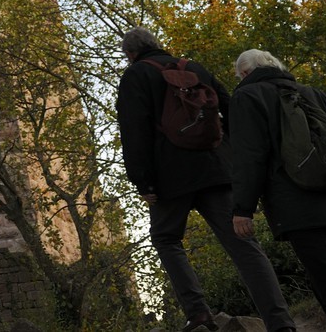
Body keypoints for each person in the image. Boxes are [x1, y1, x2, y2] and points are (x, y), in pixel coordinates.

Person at [117, 28, 295, 332]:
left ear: (131, 54)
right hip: (217, 168)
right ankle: (281, 323)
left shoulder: (136, 76)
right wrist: (232, 155)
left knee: (166, 238)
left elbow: (134, 132)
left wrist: (142, 182)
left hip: (169, 178)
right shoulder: (194, 67)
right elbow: (230, 107)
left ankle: (198, 313)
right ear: (157, 45)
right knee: (244, 244)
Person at [229, 49, 326, 332]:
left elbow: (249, 155)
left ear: (244, 74)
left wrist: (243, 209)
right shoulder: (316, 94)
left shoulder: (247, 97)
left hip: (299, 204)